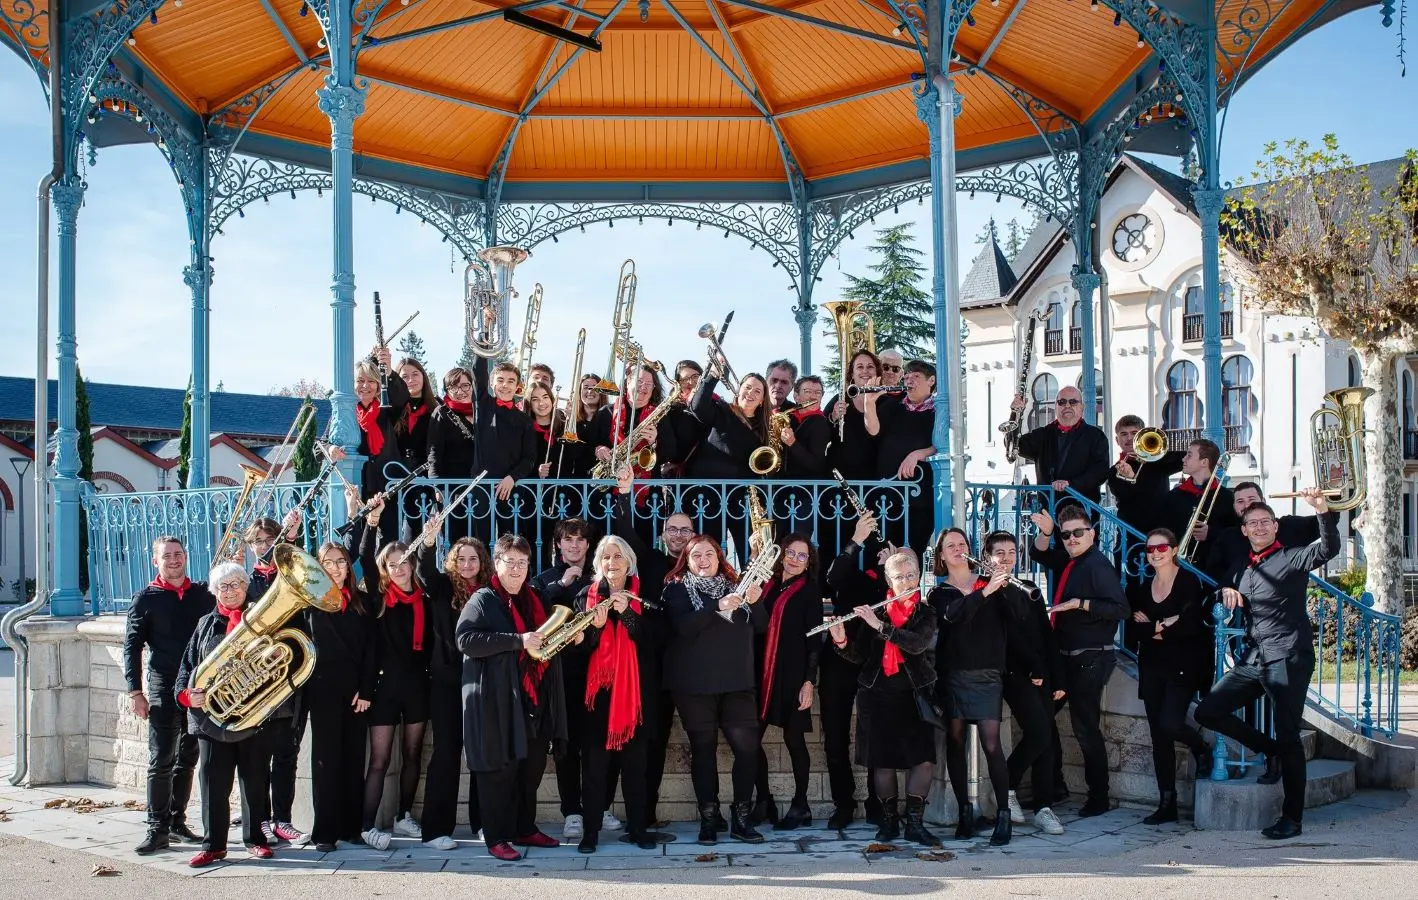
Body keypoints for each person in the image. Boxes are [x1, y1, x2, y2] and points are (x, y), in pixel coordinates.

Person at [1194, 490, 1339, 840]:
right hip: (1254, 658)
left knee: (1289, 735)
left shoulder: (1291, 556)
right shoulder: (1241, 566)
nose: (1259, 527)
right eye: (1253, 523)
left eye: (1265, 522)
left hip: (1288, 656)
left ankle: (1292, 818)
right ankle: (1269, 750)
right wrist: (1223, 592)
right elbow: (1215, 593)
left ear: (1275, 527)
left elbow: (1327, 549)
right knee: (1208, 711)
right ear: (1244, 530)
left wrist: (1322, 510)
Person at [456, 534, 568, 861]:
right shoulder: (483, 599)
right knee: (499, 771)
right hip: (497, 700)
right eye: (510, 562)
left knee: (530, 768)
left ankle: (524, 827)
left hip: (533, 697)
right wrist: (518, 640)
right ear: (497, 563)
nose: (517, 569)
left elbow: (545, 638)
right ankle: (496, 837)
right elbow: (466, 640)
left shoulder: (534, 596)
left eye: (523, 562)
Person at [662, 534, 768, 845]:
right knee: (703, 752)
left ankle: (741, 818)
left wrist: (755, 601)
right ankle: (709, 819)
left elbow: (761, 626)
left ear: (719, 558)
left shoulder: (736, 585)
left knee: (747, 749)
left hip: (737, 682)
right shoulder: (676, 589)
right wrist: (717, 606)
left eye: (710, 554)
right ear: (687, 560)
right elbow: (684, 627)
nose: (703, 560)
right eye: (696, 555)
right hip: (695, 685)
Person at [828, 549, 938, 846]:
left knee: (923, 760)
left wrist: (881, 627)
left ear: (919, 576)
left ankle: (914, 824)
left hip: (915, 695)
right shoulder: (876, 612)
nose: (907, 582)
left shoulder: (925, 612)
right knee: (883, 762)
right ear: (889, 580)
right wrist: (841, 640)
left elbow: (916, 644)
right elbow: (860, 656)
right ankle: (889, 822)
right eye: (899, 577)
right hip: (876, 696)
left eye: (911, 575)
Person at [173, 562, 276, 868]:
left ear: (246, 587)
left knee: (254, 781)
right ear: (214, 591)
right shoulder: (205, 624)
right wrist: (186, 695)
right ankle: (213, 845)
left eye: (236, 585)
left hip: (251, 715)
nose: (230, 592)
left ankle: (255, 840)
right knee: (213, 785)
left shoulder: (261, 620)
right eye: (223, 586)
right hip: (212, 719)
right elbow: (187, 668)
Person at [1029, 504, 1129, 816]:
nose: (1072, 538)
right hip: (1066, 656)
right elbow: (1038, 554)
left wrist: (1081, 604)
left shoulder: (1097, 566)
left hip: (1091, 657)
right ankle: (1055, 786)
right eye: (1066, 534)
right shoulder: (1071, 561)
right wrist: (1047, 533)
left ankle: (1099, 797)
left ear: (1092, 534)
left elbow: (1121, 609)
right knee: (1042, 718)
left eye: (1078, 533)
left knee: (1085, 727)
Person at [610, 468, 695, 827]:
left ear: (693, 536)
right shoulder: (652, 562)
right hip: (651, 663)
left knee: (690, 738)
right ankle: (644, 814)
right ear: (663, 534)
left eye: (685, 530)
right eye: (672, 529)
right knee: (651, 740)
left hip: (689, 664)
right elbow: (625, 531)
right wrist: (625, 493)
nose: (678, 535)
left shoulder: (701, 564)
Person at [124, 535, 214, 854]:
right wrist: (135, 691)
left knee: (187, 758)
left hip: (198, 687)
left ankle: (177, 822)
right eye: (167, 556)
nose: (174, 560)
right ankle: (156, 828)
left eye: (178, 554)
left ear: (185, 557)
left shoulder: (204, 594)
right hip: (163, 686)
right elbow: (132, 646)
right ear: (156, 561)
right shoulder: (144, 599)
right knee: (161, 759)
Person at [572, 536, 661, 852]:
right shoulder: (585, 595)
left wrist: (628, 615)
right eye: (606, 557)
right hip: (597, 696)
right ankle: (590, 832)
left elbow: (655, 641)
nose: (612, 562)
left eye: (618, 556)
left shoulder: (645, 595)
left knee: (636, 769)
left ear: (629, 561)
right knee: (594, 770)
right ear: (599, 562)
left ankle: (637, 829)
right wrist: (594, 630)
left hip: (635, 696)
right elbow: (577, 650)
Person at [528, 518, 614, 840]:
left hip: (595, 671)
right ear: (558, 544)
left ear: (588, 545)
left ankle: (599, 807)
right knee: (565, 746)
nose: (574, 545)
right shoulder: (544, 579)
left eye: (580, 540)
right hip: (557, 675)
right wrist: (561, 585)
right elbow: (532, 614)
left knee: (598, 744)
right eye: (568, 539)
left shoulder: (600, 579)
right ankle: (572, 812)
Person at [354, 493, 431, 850]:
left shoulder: (424, 599)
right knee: (380, 760)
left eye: (404, 563)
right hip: (384, 688)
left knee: (413, 754)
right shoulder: (379, 599)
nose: (399, 569)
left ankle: (403, 816)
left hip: (417, 684)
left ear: (412, 564)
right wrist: (372, 522)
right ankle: (367, 825)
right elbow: (364, 559)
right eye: (392, 564)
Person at [928, 529, 1014, 845]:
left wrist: (1005, 587)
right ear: (941, 555)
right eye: (950, 545)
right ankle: (965, 811)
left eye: (962, 544)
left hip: (988, 675)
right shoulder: (939, 594)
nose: (957, 548)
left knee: (992, 744)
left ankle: (1003, 814)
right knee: (955, 742)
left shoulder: (991, 583)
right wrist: (986, 591)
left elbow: (1016, 616)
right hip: (954, 675)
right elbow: (953, 616)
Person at [1126, 528, 1213, 824]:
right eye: (1150, 549)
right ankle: (1167, 803)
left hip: (1182, 665)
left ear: (1174, 550)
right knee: (1158, 736)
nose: (1155, 553)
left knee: (1171, 723)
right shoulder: (1141, 588)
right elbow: (1133, 632)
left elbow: (1191, 626)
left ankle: (1201, 747)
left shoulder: (1188, 582)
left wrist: (1152, 627)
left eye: (1161, 548)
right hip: (1151, 666)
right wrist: (1163, 625)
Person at [985, 531, 1066, 836]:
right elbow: (1009, 638)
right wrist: (1032, 668)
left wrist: (1057, 676)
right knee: (1040, 732)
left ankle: (1043, 808)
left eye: (1011, 552)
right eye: (999, 553)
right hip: (1014, 674)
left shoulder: (1030, 588)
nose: (1006, 558)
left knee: (1046, 737)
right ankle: (1006, 787)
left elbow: (1045, 634)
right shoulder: (987, 591)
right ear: (987, 558)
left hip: (1041, 672)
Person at [416, 524, 491, 850]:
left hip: (482, 683)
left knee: (482, 754)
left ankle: (484, 823)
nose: (467, 564)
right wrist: (429, 541)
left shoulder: (491, 591)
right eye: (461, 558)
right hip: (447, 683)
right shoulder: (442, 586)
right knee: (446, 753)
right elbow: (424, 571)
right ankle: (435, 830)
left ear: (482, 561)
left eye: (473, 558)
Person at [243, 511, 312, 849]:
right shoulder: (247, 582)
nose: (263, 545)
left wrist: (292, 537)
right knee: (259, 755)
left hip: (293, 671)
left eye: (269, 539)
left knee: (287, 751)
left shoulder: (290, 572)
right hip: (259, 677)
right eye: (257, 541)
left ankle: (282, 819)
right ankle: (261, 819)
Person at [306, 538, 376, 853]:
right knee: (325, 763)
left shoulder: (362, 602)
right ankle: (324, 832)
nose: (335, 568)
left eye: (340, 562)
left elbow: (372, 650)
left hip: (356, 693)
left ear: (348, 566)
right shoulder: (309, 603)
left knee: (353, 760)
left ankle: (351, 828)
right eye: (328, 562)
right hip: (322, 691)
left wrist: (367, 689)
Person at [749, 533, 822, 830]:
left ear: (809, 562)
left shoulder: (810, 592)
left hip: (793, 675)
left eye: (802, 555)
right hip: (761, 673)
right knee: (751, 740)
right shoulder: (767, 582)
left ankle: (801, 804)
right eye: (790, 552)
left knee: (794, 740)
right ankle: (763, 800)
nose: (794, 559)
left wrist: (809, 682)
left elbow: (815, 641)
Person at [821, 514, 887, 829]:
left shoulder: (893, 578)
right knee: (834, 738)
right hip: (838, 660)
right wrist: (856, 540)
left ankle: (877, 801)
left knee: (876, 736)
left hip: (875, 663)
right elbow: (834, 578)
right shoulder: (852, 575)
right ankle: (843, 804)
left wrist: (890, 566)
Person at [864, 359, 937, 555]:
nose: (909, 381)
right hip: (887, 495)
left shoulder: (939, 410)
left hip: (920, 498)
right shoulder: (893, 406)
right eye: (906, 377)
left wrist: (918, 454)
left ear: (931, 381)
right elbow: (873, 431)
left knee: (911, 553)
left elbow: (944, 446)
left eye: (916, 376)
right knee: (884, 554)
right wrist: (869, 403)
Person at [1011, 385, 1110, 505]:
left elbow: (1100, 471)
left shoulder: (1096, 436)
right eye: (1062, 402)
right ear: (1056, 406)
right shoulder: (1043, 435)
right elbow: (1014, 446)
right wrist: (1015, 414)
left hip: (1081, 511)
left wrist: (1071, 484)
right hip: (1048, 511)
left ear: (1082, 407)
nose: (1067, 406)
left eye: (1073, 402)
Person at [1204, 481, 1321, 579]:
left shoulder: (1288, 526)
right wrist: (1227, 587)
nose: (1247, 505)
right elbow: (1214, 572)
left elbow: (1324, 524)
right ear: (1234, 506)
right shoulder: (1227, 537)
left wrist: (1321, 503)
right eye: (1240, 501)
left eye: (1251, 499)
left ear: (1263, 501)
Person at [1160, 438, 1238, 565]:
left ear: (1204, 462)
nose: (1183, 459)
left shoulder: (1227, 497)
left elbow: (1236, 533)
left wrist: (1211, 533)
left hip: (1216, 567)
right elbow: (1164, 531)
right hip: (1179, 566)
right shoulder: (1173, 496)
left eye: (1189, 455)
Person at [1106, 415, 1184, 536]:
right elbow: (1125, 496)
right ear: (1117, 440)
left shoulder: (1158, 462)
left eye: (1134, 433)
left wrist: (1157, 449)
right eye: (1124, 434)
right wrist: (1130, 477)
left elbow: (1185, 459)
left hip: (1161, 531)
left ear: (1142, 436)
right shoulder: (1115, 470)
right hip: (1131, 534)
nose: (1129, 438)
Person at [427, 367, 479, 540]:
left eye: (465, 385)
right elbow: (434, 452)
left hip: (480, 487)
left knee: (480, 539)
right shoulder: (442, 413)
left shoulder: (482, 413)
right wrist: (438, 486)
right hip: (452, 488)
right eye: (453, 387)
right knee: (455, 539)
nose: (460, 391)